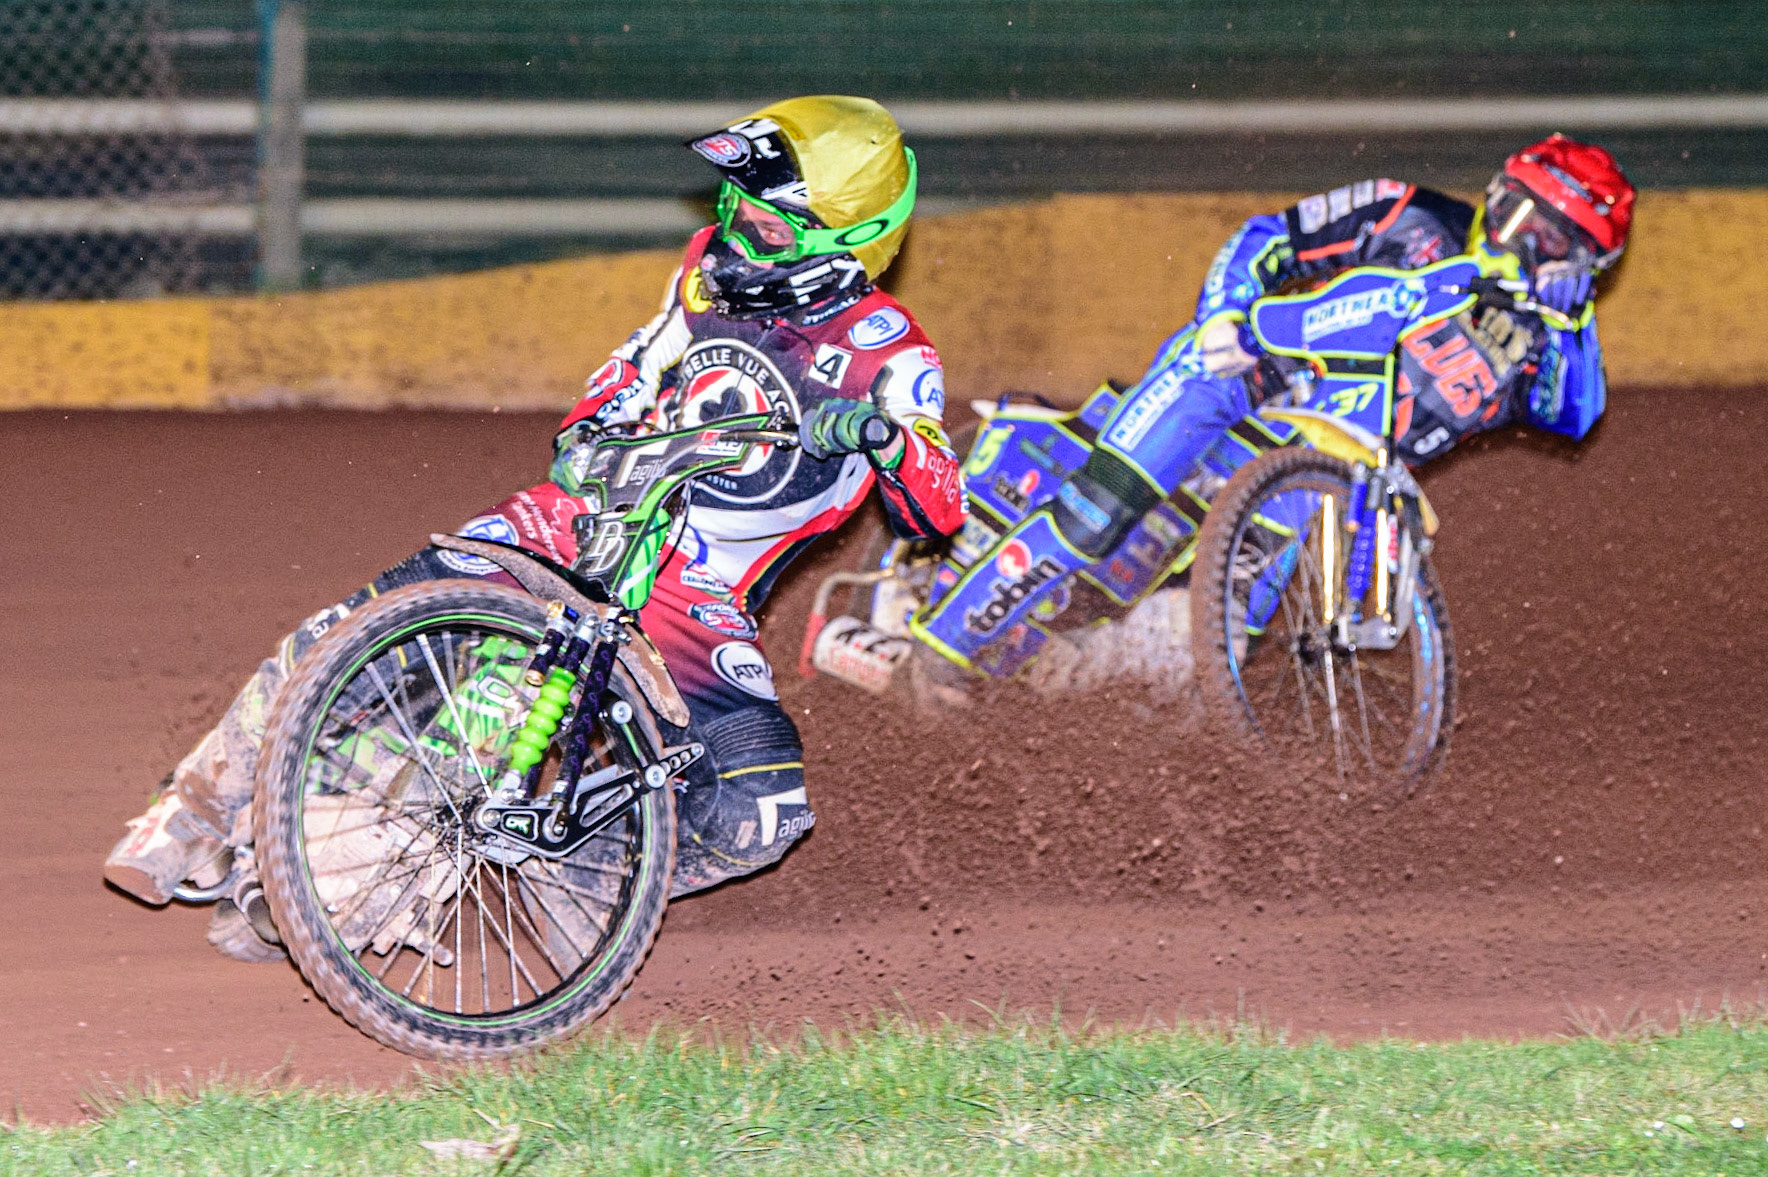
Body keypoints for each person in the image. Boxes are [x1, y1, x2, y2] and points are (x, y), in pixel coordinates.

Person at [103, 95, 967, 960]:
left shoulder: (890, 357)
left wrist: (886, 433)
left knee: (762, 811)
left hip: (697, 589)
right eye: (731, 204)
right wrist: (593, 429)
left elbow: (938, 508)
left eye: (767, 224)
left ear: (842, 240)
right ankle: (200, 808)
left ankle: (583, 875)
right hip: (595, 513)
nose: (737, 228)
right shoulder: (706, 268)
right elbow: (638, 362)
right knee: (381, 623)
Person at [920, 133, 1634, 663]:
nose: (1523, 248)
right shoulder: (1406, 216)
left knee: (1209, 636)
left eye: (1553, 242)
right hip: (1241, 380)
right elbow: (1270, 237)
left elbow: (1574, 417)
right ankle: (936, 655)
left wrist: (1569, 324)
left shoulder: (1557, 342)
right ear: (1494, 194)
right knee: (1094, 517)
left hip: (1323, 472)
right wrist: (1228, 312)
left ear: (1590, 267)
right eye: (1517, 217)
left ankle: (1082, 705)